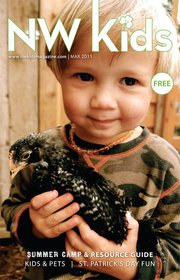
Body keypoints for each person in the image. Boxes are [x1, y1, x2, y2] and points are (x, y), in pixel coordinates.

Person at [1, 0, 180, 279]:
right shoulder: (39, 152)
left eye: (129, 81)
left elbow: (177, 245)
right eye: (85, 76)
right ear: (58, 72)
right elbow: (12, 207)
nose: (102, 101)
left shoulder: (165, 164)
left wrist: (131, 266)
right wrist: (32, 225)